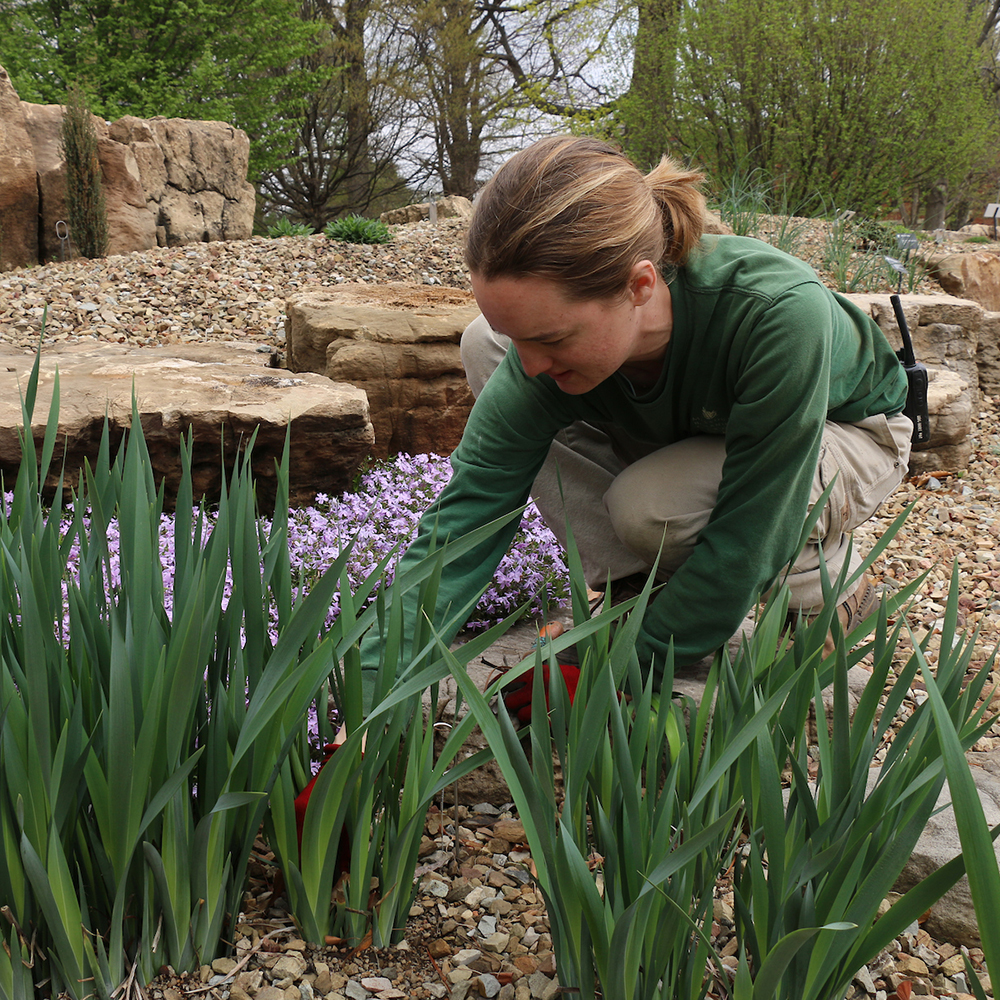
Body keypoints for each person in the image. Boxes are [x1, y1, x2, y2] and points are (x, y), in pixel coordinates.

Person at [357, 134, 912, 713]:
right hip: (696, 435)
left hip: (846, 433)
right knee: (484, 344)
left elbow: (752, 526)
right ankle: (635, 592)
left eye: (549, 338)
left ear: (640, 285)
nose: (529, 364)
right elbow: (470, 514)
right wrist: (368, 692)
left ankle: (825, 589)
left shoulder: (776, 315)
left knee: (651, 508)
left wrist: (624, 662)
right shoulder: (542, 353)